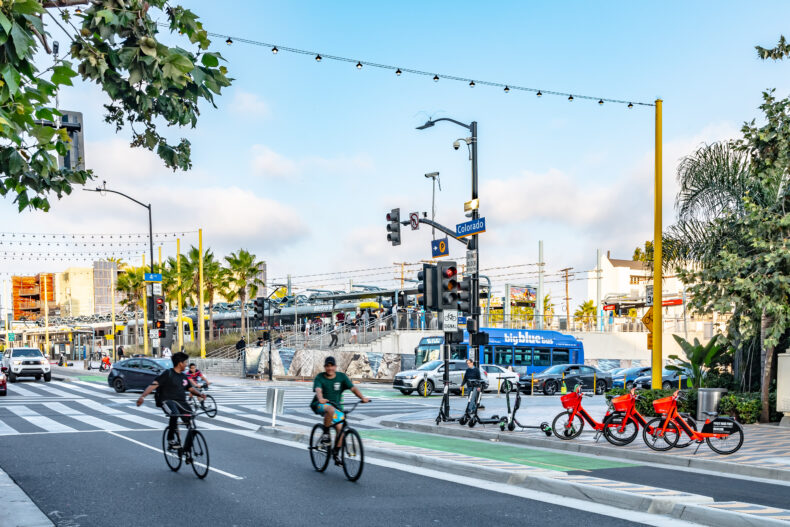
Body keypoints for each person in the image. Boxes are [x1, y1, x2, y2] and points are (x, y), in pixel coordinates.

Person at [136, 352, 205, 452]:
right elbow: (153, 385)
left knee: (191, 422)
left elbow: (190, 389)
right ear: (180, 363)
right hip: (167, 401)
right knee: (174, 414)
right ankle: (171, 439)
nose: (186, 364)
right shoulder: (167, 373)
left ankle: (186, 449)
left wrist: (200, 394)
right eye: (185, 362)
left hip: (181, 402)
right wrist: (142, 397)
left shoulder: (183, 376)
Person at [311, 356, 369, 461]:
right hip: (319, 404)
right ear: (325, 367)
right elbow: (318, 389)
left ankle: (336, 453)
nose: (330, 368)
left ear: (335, 367)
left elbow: (353, 388)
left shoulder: (341, 377)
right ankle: (325, 435)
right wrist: (321, 398)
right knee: (329, 409)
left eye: (332, 366)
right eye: (327, 366)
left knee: (340, 429)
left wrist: (362, 398)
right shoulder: (320, 377)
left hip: (336, 406)